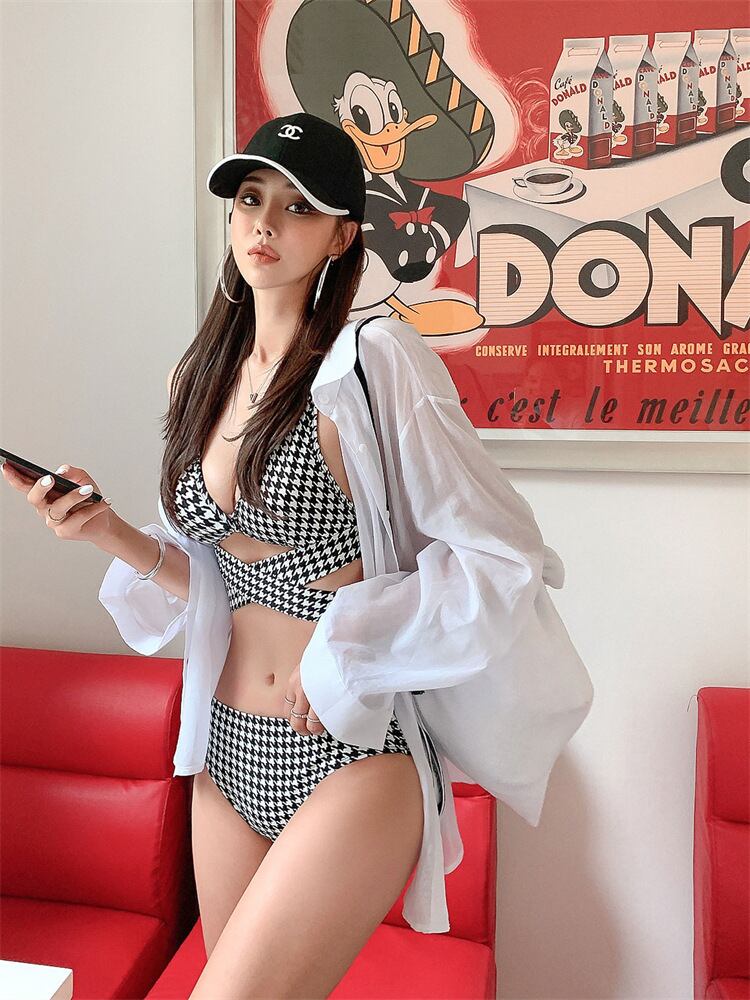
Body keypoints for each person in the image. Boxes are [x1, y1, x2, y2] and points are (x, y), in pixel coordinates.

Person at [3, 112, 593, 998]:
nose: (266, 223)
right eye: (250, 200)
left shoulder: (374, 360)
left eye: (298, 206)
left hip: (349, 752)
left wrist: (352, 646)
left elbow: (505, 554)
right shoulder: (200, 375)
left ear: (341, 235)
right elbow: (219, 583)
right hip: (225, 748)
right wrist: (106, 531)